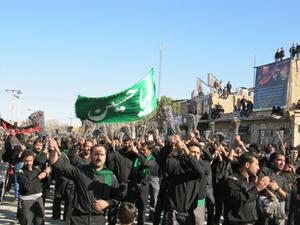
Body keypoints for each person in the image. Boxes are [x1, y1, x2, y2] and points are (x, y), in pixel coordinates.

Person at [49, 138, 120, 225]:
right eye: (96, 154)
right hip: (78, 219)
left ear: (105, 157)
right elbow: (57, 164)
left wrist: (107, 203)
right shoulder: (80, 171)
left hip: (98, 220)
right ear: (91, 155)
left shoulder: (110, 177)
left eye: (102, 154)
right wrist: (53, 151)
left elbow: (117, 197)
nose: (99, 157)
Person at [223, 152, 270, 225]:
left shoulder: (252, 181)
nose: (258, 168)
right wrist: (257, 189)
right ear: (247, 165)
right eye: (256, 164)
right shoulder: (232, 180)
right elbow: (239, 200)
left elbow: (255, 205)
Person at [17, 149, 51, 225]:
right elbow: (27, 187)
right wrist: (38, 178)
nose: (28, 163)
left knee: (40, 222)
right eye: (26, 161)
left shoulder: (37, 169)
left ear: (33, 159)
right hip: (27, 202)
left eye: (30, 160)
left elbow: (46, 183)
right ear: (23, 159)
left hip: (39, 200)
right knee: (27, 222)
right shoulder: (20, 172)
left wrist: (47, 174)